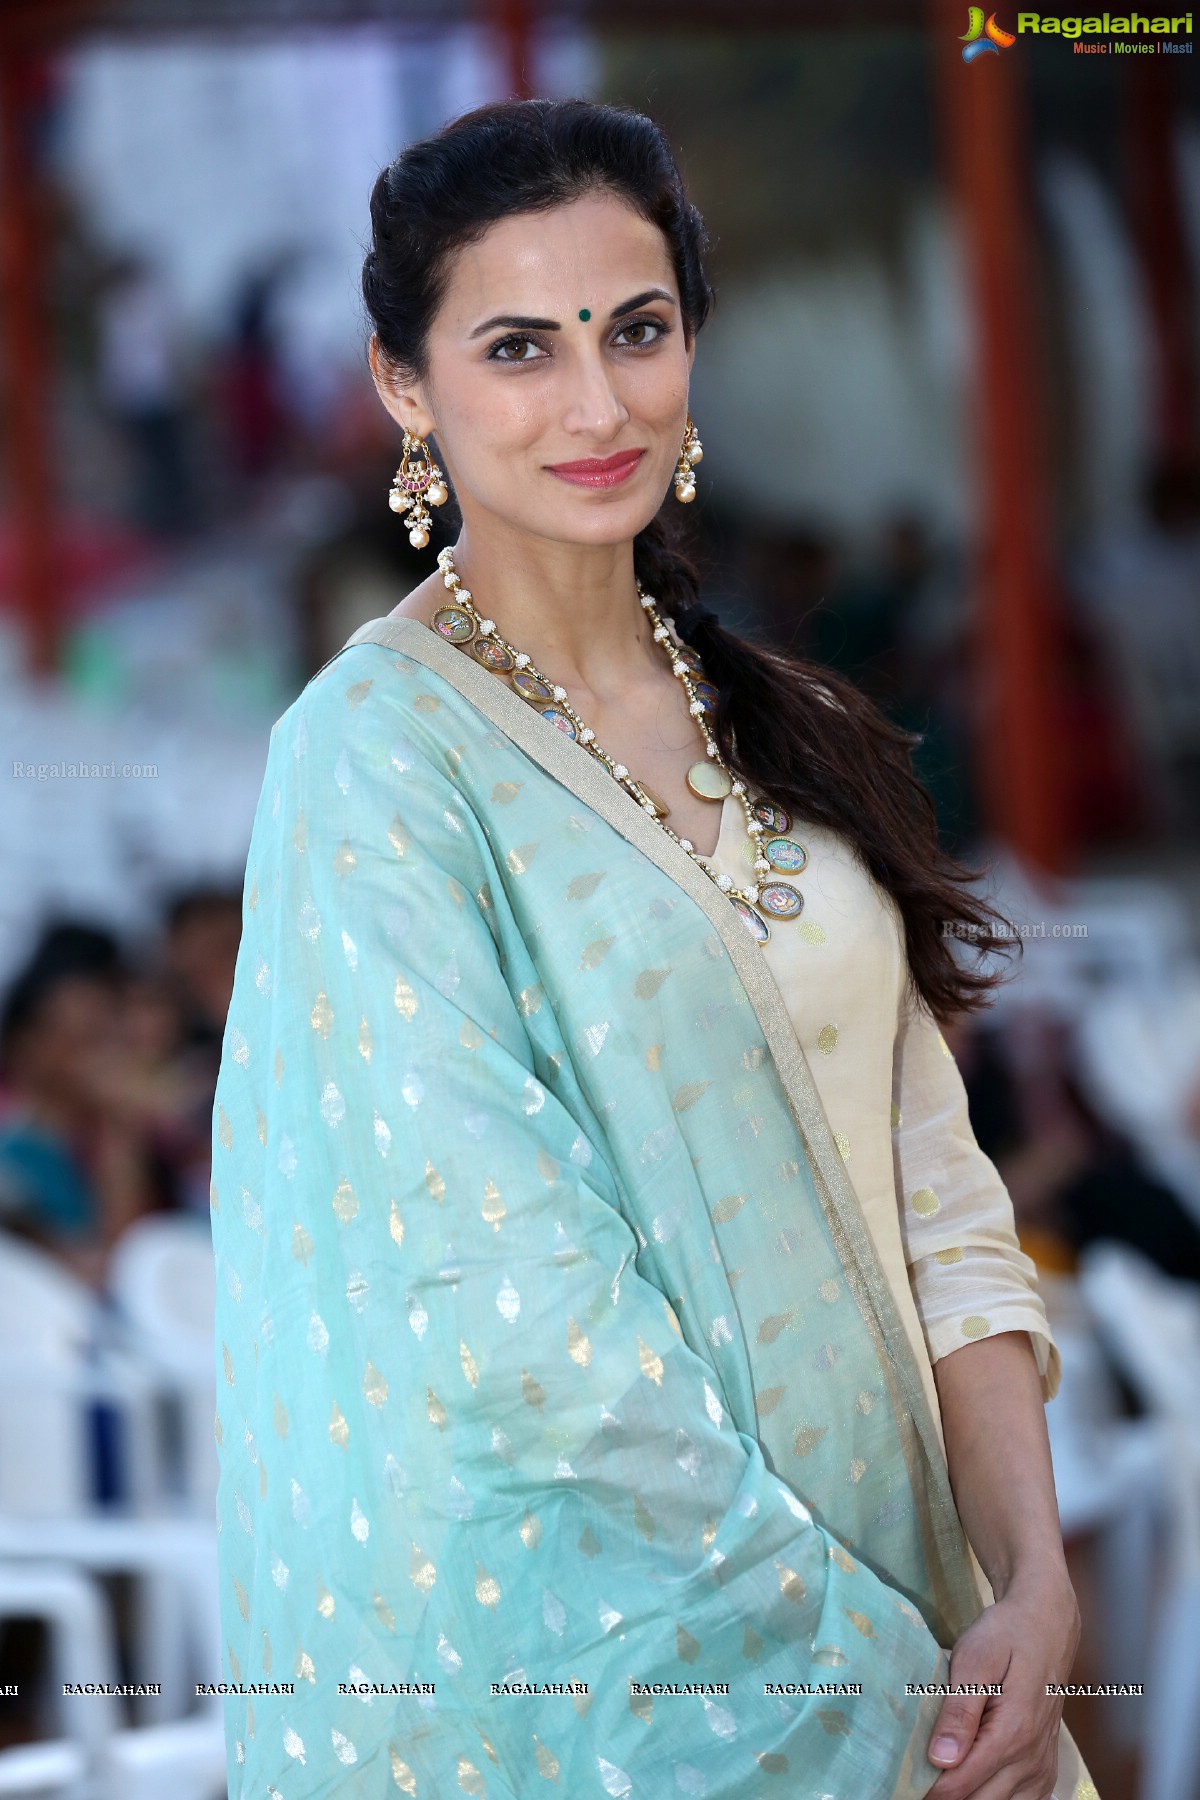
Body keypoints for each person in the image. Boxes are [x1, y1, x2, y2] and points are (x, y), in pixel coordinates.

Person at [210, 99, 1100, 1799]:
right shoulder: (375, 765)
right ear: (408, 389)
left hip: (958, 1645)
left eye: (637, 331)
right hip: (649, 1687)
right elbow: (515, 1316)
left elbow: (939, 1194)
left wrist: (1036, 1582)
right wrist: (850, 1666)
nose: (599, 404)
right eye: (520, 349)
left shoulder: (789, 718)